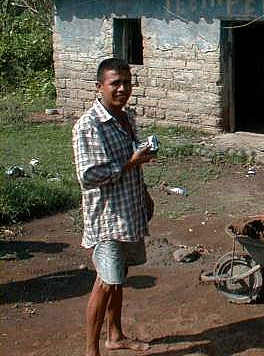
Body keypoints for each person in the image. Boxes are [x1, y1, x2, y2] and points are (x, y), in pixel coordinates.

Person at [72, 58, 155, 356]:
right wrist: (131, 162)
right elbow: (88, 175)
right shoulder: (89, 125)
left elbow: (132, 160)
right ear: (99, 87)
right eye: (115, 83)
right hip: (107, 218)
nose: (122, 89)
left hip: (128, 210)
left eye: (127, 83)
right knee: (106, 282)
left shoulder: (126, 117)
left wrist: (144, 192)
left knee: (119, 277)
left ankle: (115, 335)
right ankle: (91, 351)